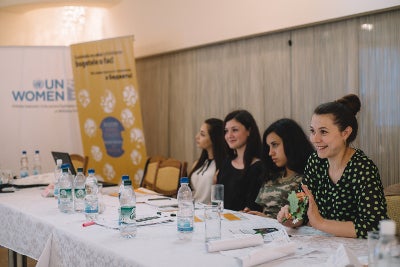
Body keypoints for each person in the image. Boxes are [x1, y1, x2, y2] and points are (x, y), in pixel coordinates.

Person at [277, 94, 388, 238]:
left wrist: (320, 223)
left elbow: (375, 227)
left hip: (360, 252)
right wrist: (290, 218)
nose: (315, 139)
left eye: (323, 132)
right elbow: (300, 212)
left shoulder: (362, 167)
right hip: (326, 246)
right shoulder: (315, 161)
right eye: (312, 131)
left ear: (345, 133)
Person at [244, 118, 314, 218]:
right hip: (264, 230)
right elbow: (264, 210)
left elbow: (298, 219)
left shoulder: (305, 180)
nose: (270, 152)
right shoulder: (272, 176)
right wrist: (251, 214)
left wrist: (267, 220)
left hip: (287, 231)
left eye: (275, 145)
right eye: (269, 147)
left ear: (291, 143)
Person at [216, 109, 264, 211]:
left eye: (235, 130)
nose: (229, 136)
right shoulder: (226, 163)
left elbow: (252, 208)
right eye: (226, 131)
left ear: (249, 131)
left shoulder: (258, 167)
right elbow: (217, 201)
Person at [189, 118, 226, 204]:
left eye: (202, 134)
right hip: (193, 208)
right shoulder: (198, 163)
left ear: (214, 138)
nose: (197, 137)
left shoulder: (223, 165)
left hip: (209, 211)